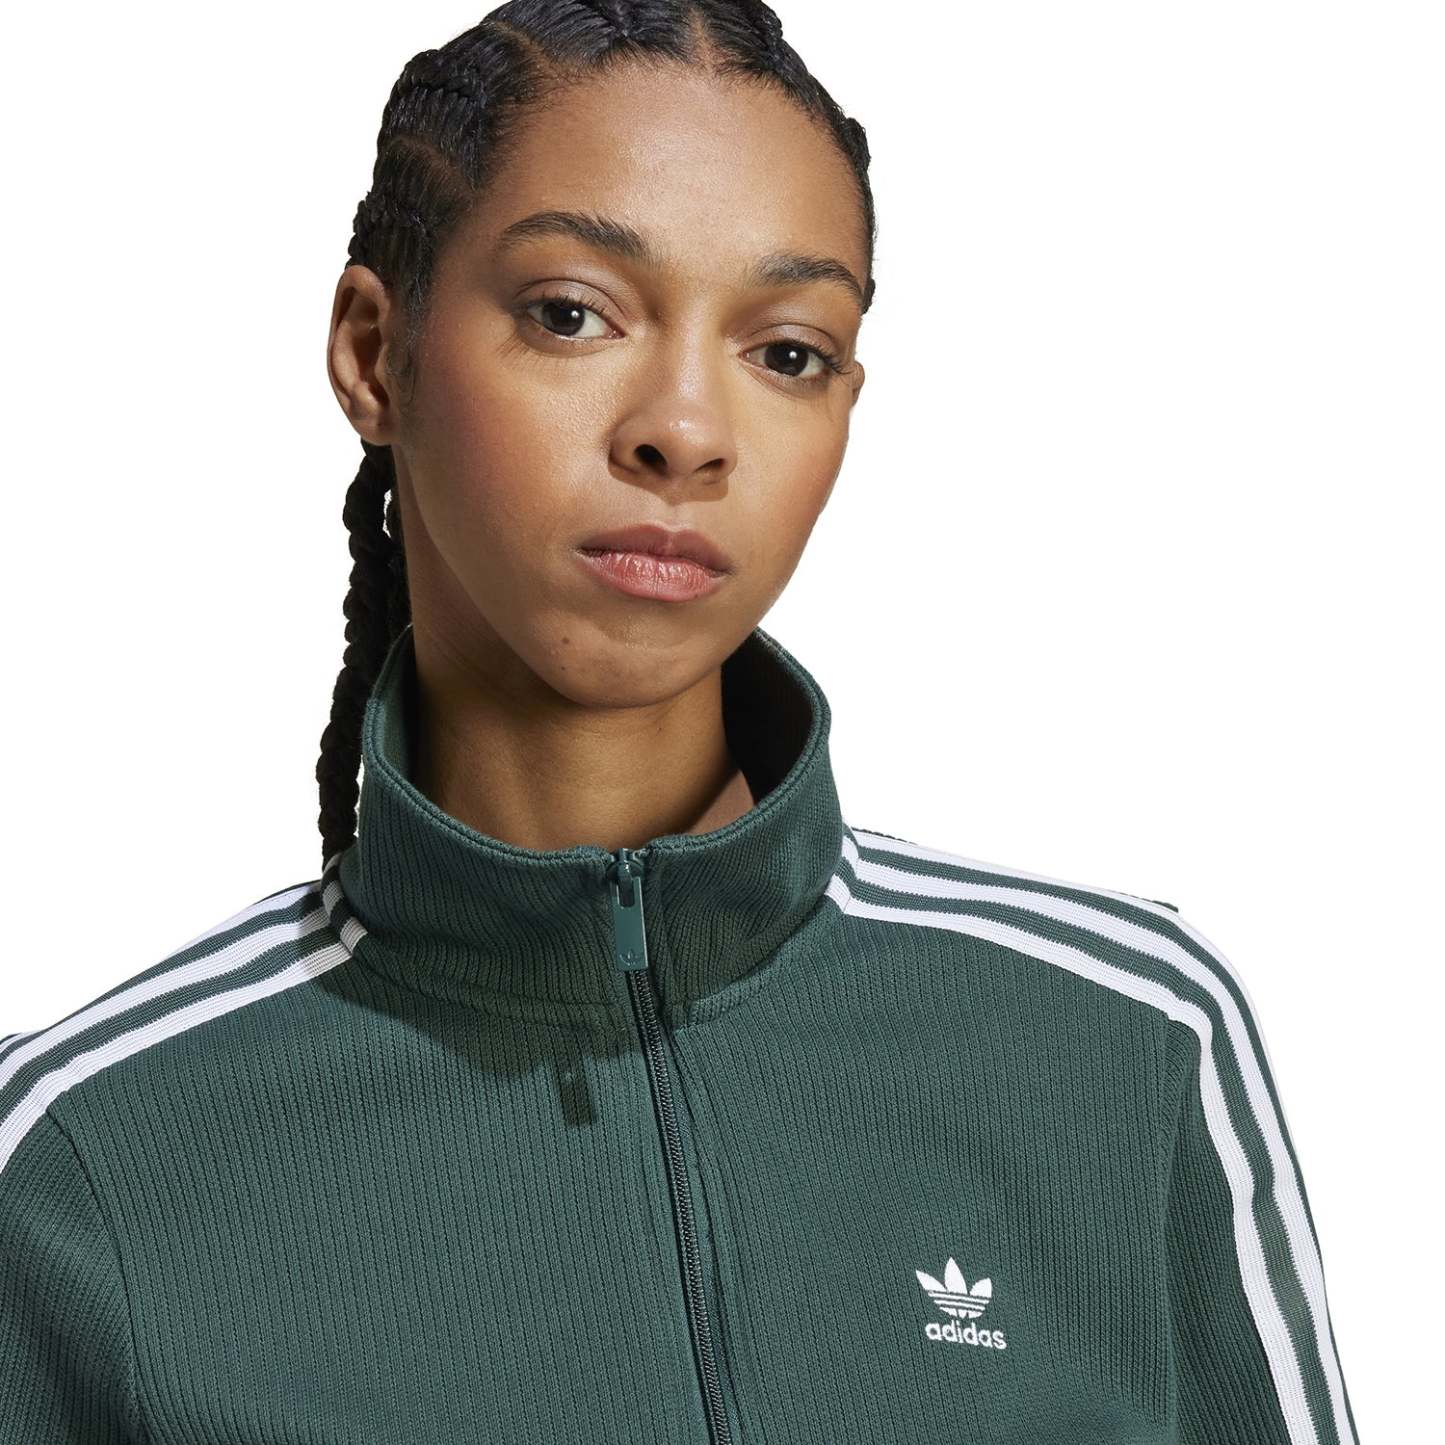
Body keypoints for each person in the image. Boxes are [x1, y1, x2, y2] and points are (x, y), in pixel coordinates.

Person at [0, 3, 1361, 1442]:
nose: (687, 431)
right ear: (373, 353)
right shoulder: (85, 1164)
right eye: (571, 313)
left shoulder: (1126, 1043)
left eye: (788, 351)